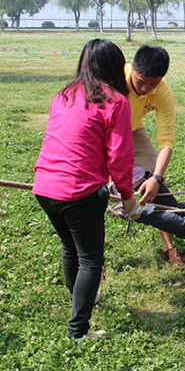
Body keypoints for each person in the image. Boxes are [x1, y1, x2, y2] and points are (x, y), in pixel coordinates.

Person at [32, 39, 138, 340]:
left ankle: (79, 298)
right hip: (77, 192)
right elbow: (120, 158)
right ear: (116, 68)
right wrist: (128, 198)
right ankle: (78, 331)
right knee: (91, 259)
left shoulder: (63, 95)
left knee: (71, 247)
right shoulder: (115, 101)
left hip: (45, 188)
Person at [124, 45, 185, 268]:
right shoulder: (114, 79)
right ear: (132, 67)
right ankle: (93, 259)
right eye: (141, 81)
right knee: (101, 194)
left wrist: (157, 178)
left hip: (133, 131)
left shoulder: (163, 92)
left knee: (155, 181)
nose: (145, 89)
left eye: (153, 84)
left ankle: (168, 248)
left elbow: (166, 141)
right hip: (104, 133)